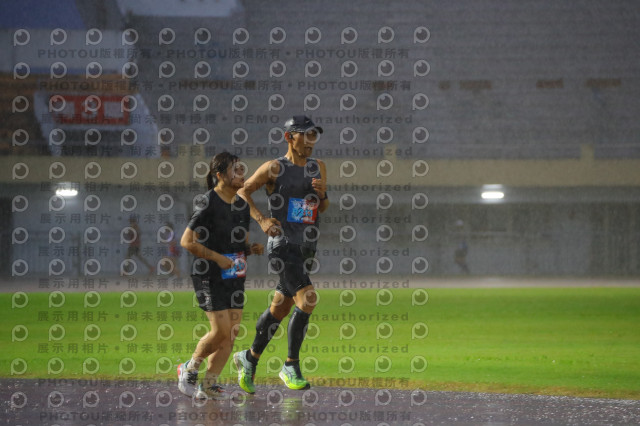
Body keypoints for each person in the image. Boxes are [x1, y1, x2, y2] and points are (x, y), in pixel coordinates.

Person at [232, 115, 329, 393]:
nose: (310, 141)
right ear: (289, 137)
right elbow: (242, 192)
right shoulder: (274, 168)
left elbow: (322, 208)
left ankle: (249, 358)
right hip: (282, 245)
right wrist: (262, 220)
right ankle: (290, 365)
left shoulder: (319, 167)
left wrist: (322, 194)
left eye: (313, 135)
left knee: (281, 308)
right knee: (308, 299)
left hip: (307, 246)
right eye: (305, 135)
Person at [177, 152, 264, 400]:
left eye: (242, 169)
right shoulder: (207, 202)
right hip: (208, 274)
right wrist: (217, 258)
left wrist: (250, 249)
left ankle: (209, 384)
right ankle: (189, 368)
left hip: (234, 276)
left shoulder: (242, 206)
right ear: (220, 175)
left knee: (231, 334)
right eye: (236, 170)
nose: (242, 174)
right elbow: (187, 241)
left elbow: (239, 245)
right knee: (220, 331)